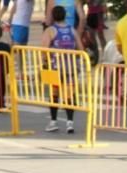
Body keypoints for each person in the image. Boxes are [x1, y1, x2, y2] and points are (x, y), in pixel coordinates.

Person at [42, 4, 78, 133]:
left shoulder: (50, 31)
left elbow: (44, 49)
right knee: (69, 95)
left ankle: (53, 121)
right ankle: (70, 123)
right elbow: (80, 47)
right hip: (70, 67)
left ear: (53, 16)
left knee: (54, 95)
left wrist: (44, 62)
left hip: (55, 67)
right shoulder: (72, 30)